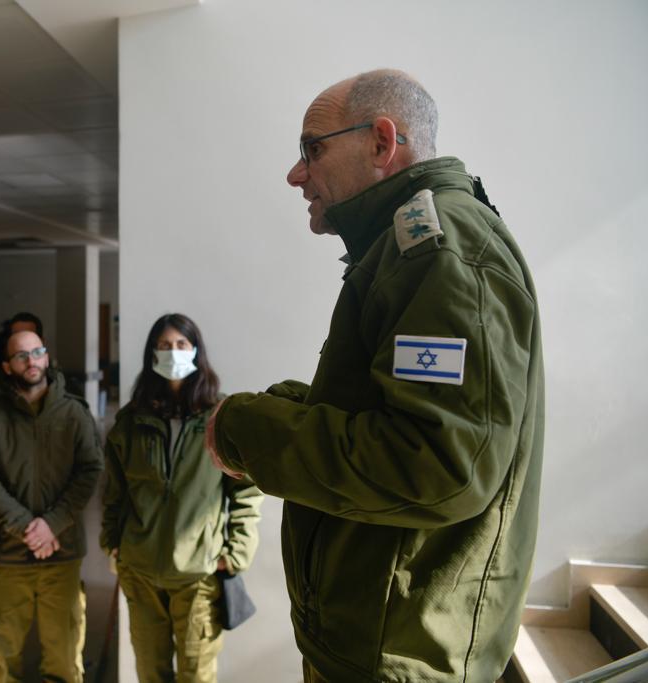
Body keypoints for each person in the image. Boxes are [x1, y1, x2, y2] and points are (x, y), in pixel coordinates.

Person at [205, 69, 544, 682]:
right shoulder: (406, 246)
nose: (296, 173)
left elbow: (438, 464)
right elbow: (402, 418)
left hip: (397, 654)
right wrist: (282, 407)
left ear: (382, 143)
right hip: (380, 640)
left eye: (313, 149)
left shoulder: (436, 249)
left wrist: (249, 430)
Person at [102, 314, 263, 683]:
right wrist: (112, 543)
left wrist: (236, 552)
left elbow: (246, 490)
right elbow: (114, 490)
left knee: (196, 674)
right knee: (150, 671)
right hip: (139, 569)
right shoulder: (131, 419)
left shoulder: (221, 416)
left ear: (196, 351)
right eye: (163, 346)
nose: (171, 353)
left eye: (180, 345)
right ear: (151, 354)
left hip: (198, 573)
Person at [0, 330, 103, 683]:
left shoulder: (74, 412)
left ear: (47, 357)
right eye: (21, 356)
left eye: (37, 352)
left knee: (63, 655)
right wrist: (29, 527)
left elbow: (90, 470)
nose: (31, 361)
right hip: (8, 552)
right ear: (6, 365)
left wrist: (52, 525)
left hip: (62, 552)